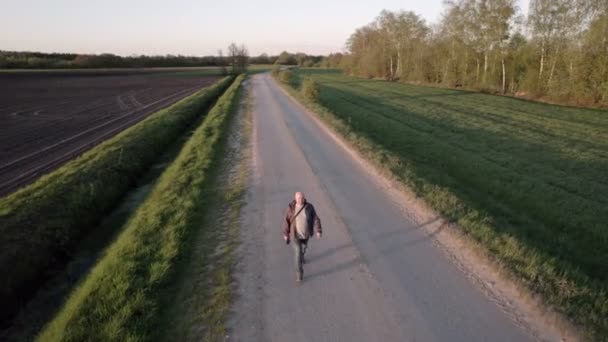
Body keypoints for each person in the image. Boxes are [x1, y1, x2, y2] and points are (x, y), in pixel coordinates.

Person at [283, 191, 322, 282]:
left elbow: (316, 219)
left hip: (306, 235)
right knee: (297, 253)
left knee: (303, 249)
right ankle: (299, 273)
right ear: (295, 199)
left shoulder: (309, 207)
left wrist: (318, 231)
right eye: (299, 198)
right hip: (295, 236)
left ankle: (302, 256)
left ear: (304, 198)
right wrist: (285, 234)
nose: (301, 200)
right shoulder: (291, 209)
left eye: (302, 198)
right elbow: (286, 221)